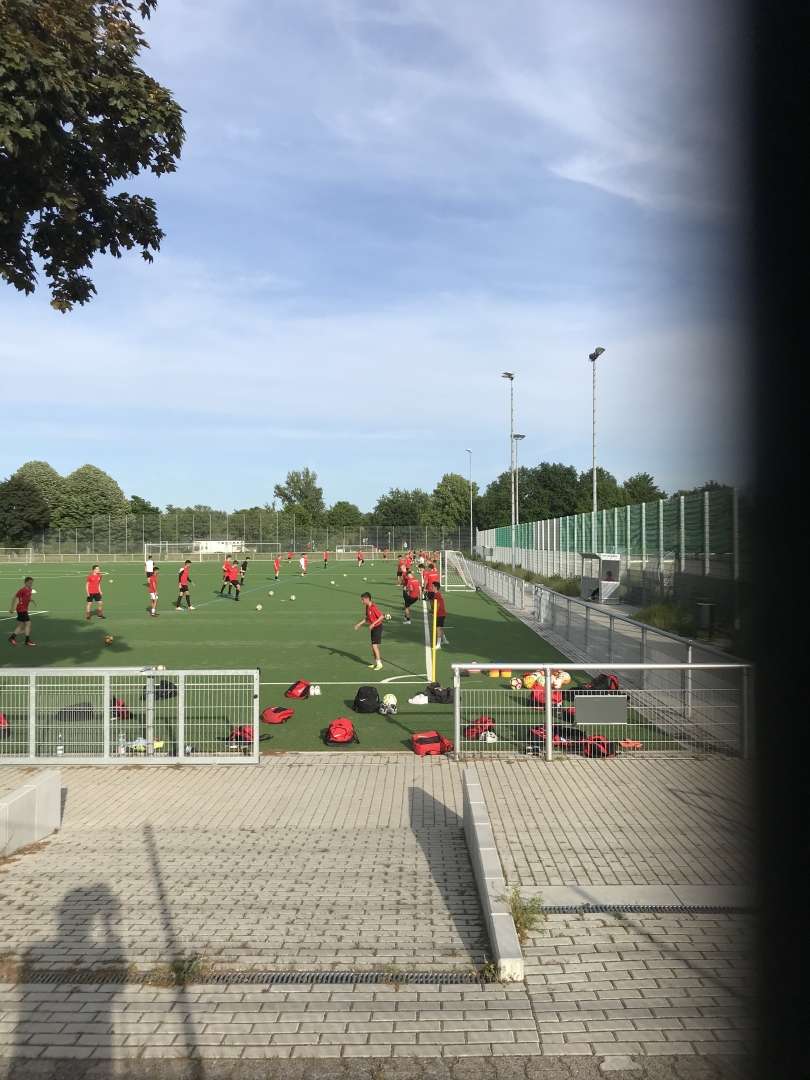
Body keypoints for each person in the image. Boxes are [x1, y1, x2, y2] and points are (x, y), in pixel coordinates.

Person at [354, 591, 384, 670]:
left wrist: (373, 624)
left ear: (367, 599)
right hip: (373, 627)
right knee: (373, 646)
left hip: (377, 627)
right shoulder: (367, 607)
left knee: (374, 646)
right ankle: (376, 662)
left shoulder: (373, 606)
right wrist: (359, 624)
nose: (362, 601)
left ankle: (379, 664)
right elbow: (367, 618)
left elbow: (381, 616)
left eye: (363, 599)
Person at [9, 576, 36, 646]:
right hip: (21, 609)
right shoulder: (22, 590)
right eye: (30, 583)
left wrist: (31, 600)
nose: (31, 584)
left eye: (32, 583)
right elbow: (15, 597)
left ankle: (12, 638)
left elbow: (26, 598)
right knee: (28, 623)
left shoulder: (30, 590)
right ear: (26, 583)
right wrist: (12, 607)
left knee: (22, 625)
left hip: (24, 609)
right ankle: (27, 641)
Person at [433, 584, 448, 648]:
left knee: (437, 628)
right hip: (441, 613)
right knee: (439, 627)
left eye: (432, 587)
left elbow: (438, 605)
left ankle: (438, 644)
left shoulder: (437, 595)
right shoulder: (438, 594)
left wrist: (434, 612)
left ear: (436, 587)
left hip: (440, 613)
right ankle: (444, 640)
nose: (431, 588)